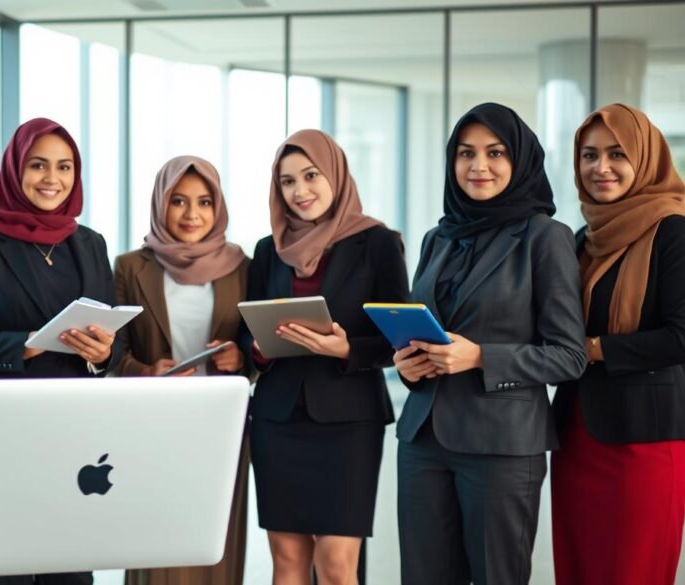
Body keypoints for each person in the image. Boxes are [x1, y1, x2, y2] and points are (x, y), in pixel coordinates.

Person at [392, 102, 586, 585]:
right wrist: (407, 364)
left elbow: (569, 355)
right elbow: (427, 331)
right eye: (465, 153)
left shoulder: (545, 238)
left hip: (501, 445)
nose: (478, 165)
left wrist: (479, 356)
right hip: (423, 437)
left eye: (495, 152)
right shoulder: (437, 239)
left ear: (519, 160)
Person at [0, 117, 118, 585]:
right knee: (5, 568)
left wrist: (102, 355)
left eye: (64, 167)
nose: (52, 179)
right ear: (15, 170)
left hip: (75, 424)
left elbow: (110, 352)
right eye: (38, 165)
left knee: (70, 568)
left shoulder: (90, 244)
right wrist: (28, 345)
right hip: (4, 423)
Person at [243, 129, 409, 585]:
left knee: (337, 565)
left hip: (348, 421)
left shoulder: (377, 243)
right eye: (287, 181)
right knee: (287, 562)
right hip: (278, 419)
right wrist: (257, 349)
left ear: (334, 174)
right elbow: (246, 333)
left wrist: (347, 348)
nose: (299, 191)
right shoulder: (267, 250)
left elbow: (401, 339)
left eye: (310, 176)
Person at [551, 103, 685, 585]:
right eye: (588, 155)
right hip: (577, 435)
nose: (600, 168)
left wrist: (592, 350)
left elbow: (681, 336)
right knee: (579, 568)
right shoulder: (583, 238)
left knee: (634, 572)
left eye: (616, 154)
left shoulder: (674, 230)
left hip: (645, 442)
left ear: (644, 159)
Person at [114, 155, 249, 585]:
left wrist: (241, 360)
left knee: (215, 546)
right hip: (154, 425)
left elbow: (257, 341)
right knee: (157, 548)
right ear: (160, 204)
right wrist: (145, 370)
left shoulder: (241, 267)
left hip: (221, 427)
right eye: (179, 201)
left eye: (205, 202)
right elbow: (113, 353)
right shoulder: (131, 267)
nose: (192, 215)